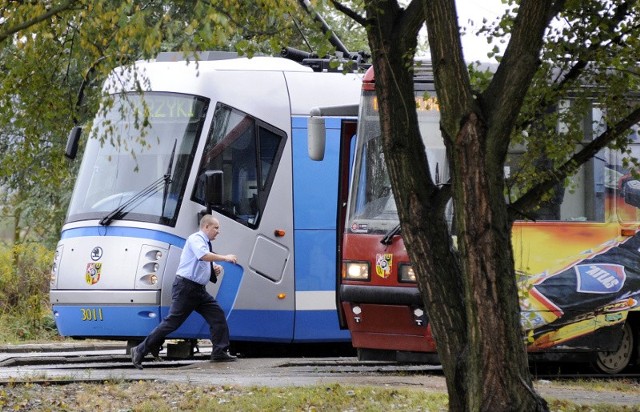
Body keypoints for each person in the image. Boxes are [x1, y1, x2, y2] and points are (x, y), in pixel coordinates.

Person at [131, 214, 238, 369]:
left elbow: (201, 261)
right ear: (206, 227)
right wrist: (225, 258)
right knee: (171, 323)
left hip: (198, 290)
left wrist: (213, 267)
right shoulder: (196, 239)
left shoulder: (204, 243)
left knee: (217, 316)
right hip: (186, 289)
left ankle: (219, 352)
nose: (218, 231)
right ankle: (139, 350)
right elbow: (202, 256)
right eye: (216, 228)